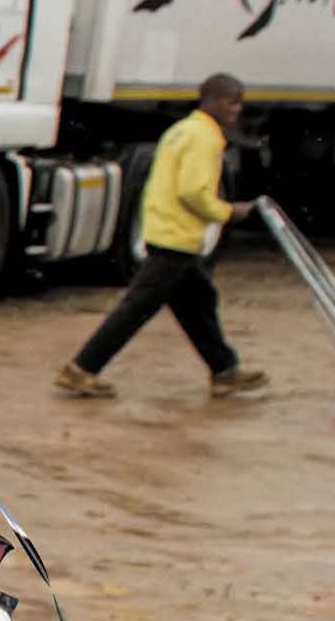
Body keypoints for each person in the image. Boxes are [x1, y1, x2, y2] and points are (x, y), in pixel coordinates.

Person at [62, 73, 271, 400]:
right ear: (212, 99)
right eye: (232, 101)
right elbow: (193, 192)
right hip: (177, 238)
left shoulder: (180, 131)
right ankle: (82, 369)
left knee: (199, 305)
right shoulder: (205, 137)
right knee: (135, 309)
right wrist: (228, 212)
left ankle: (224, 371)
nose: (237, 109)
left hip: (165, 232)